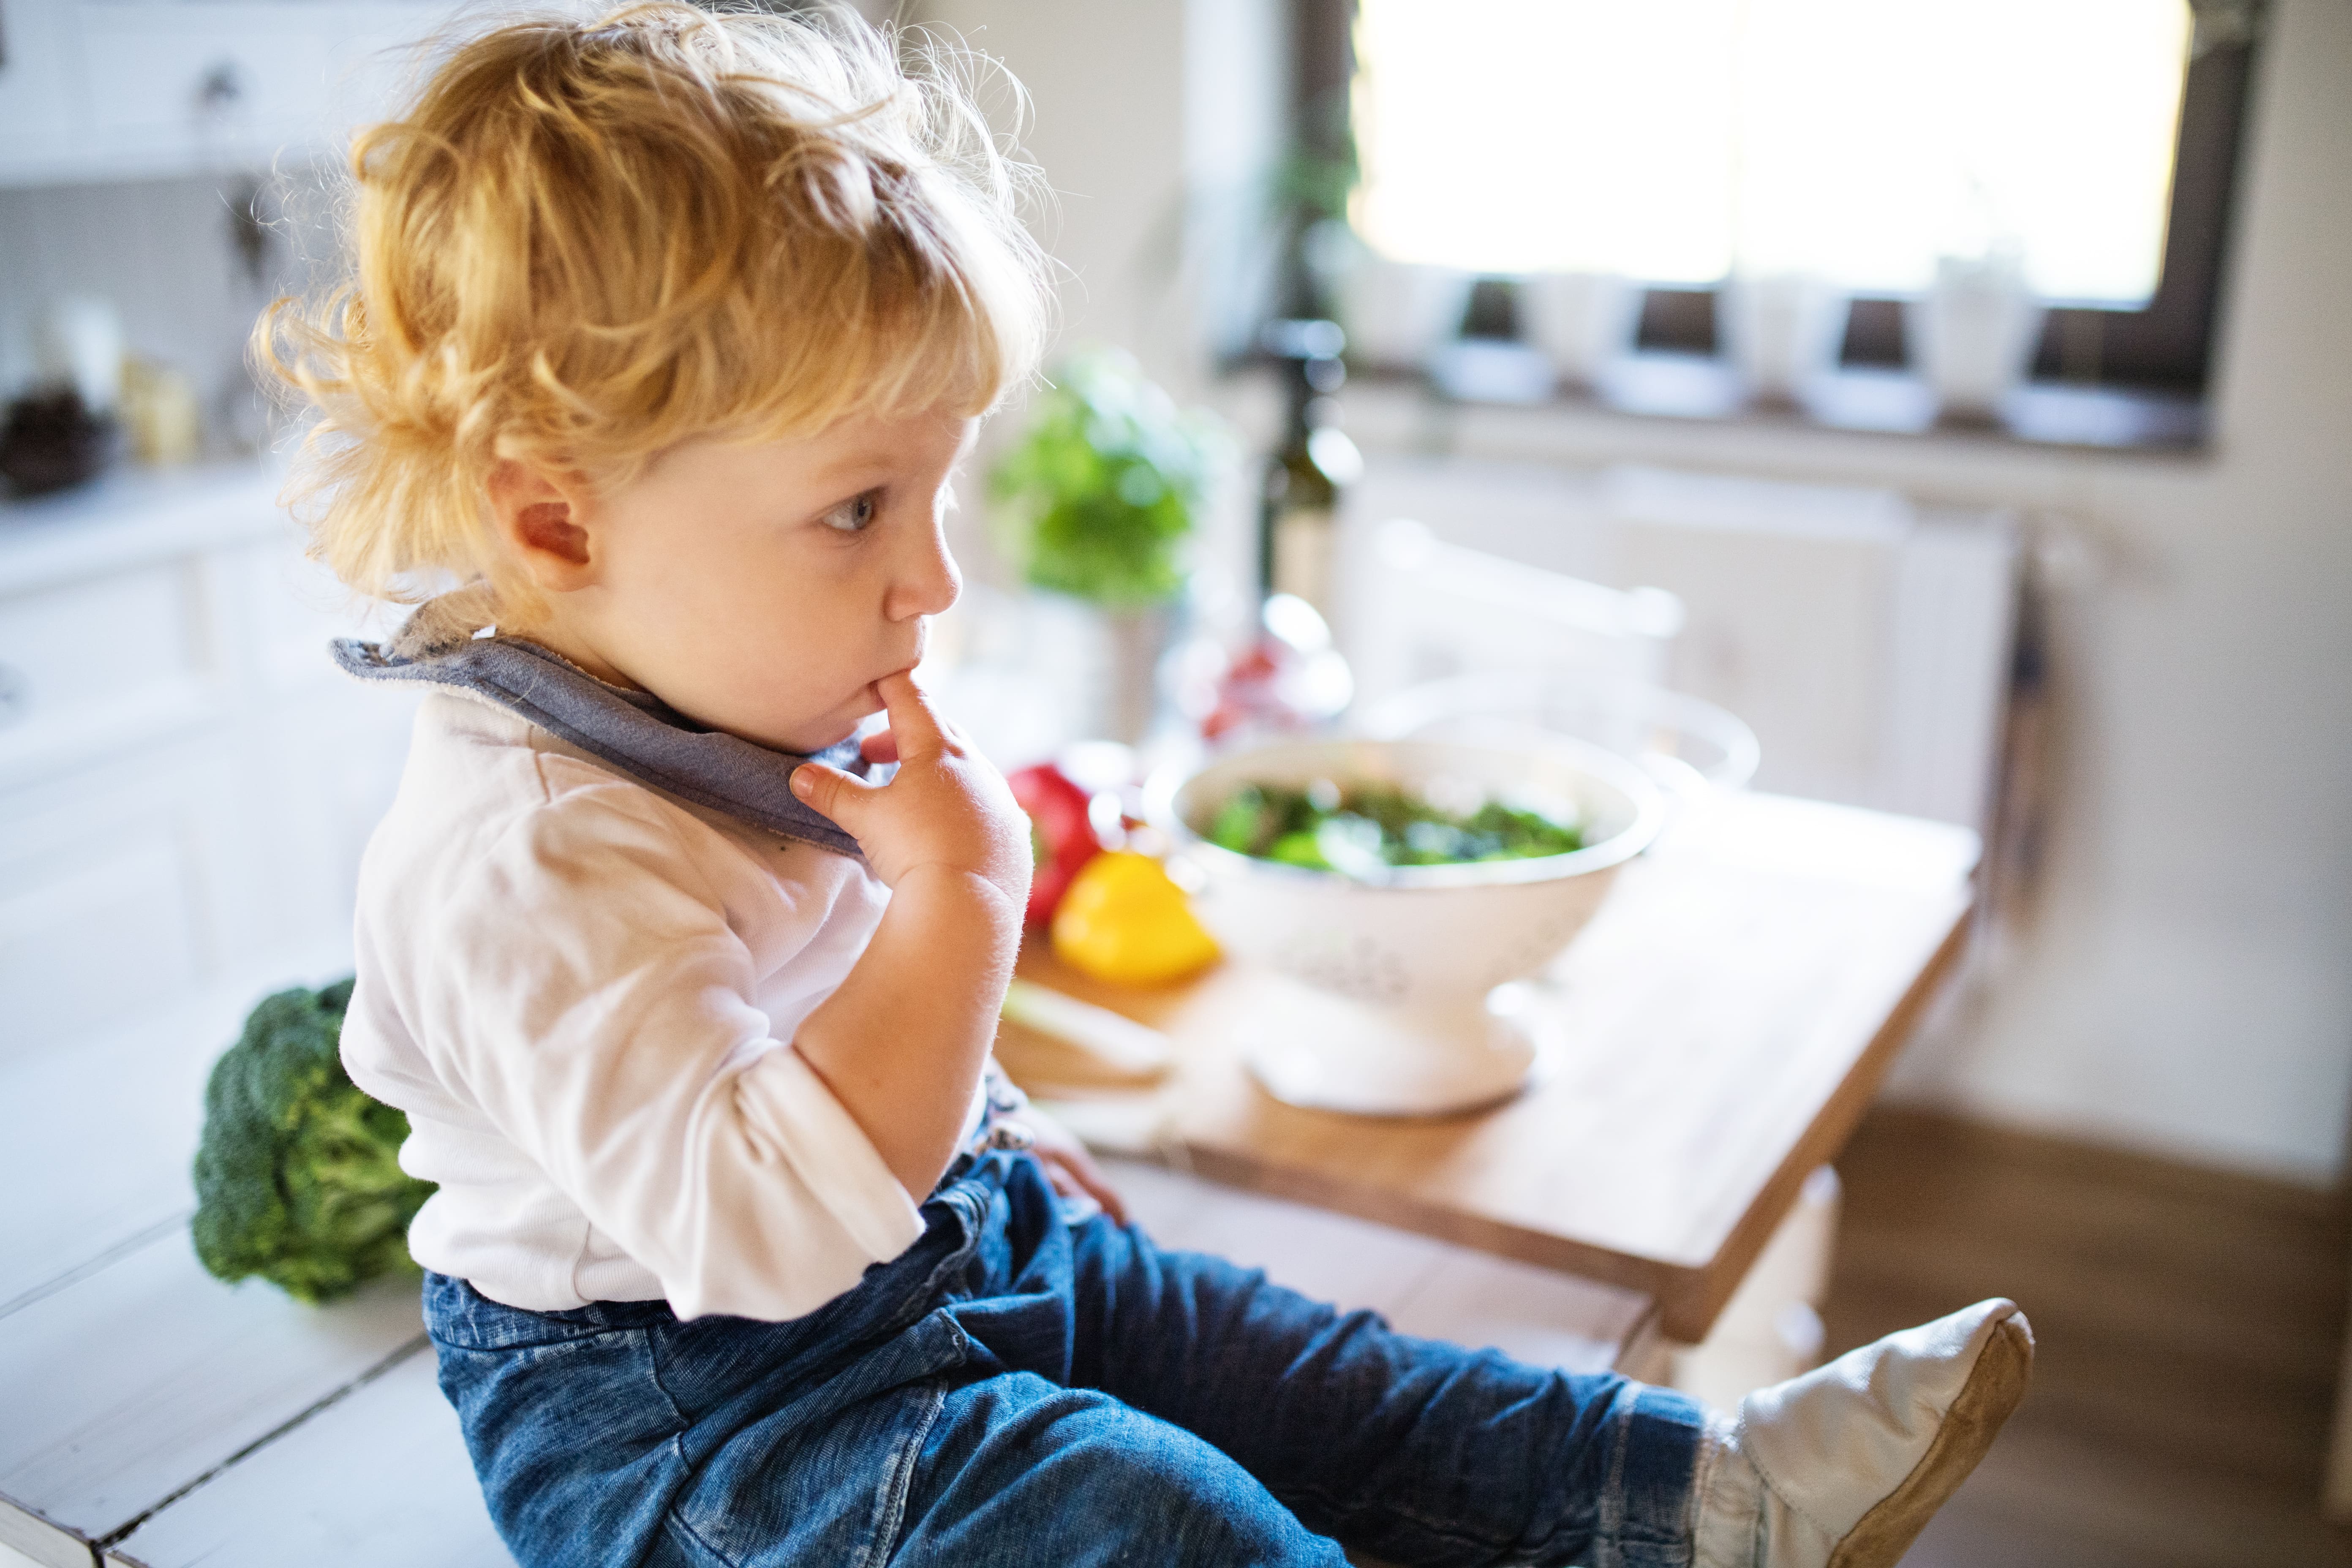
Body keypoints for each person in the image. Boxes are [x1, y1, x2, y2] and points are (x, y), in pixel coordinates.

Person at [265, 7, 2032, 1565]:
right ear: (559, 517)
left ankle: (1694, 1497)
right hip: (700, 1417)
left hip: (921, 1245)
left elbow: (812, 992)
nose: (931, 579)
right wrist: (965, 900)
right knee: (1134, 1514)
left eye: (935, 494)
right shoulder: (522, 863)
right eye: (858, 508)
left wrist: (1003, 1120)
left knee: (1281, 1355)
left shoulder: (716, 680)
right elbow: (771, 1226)